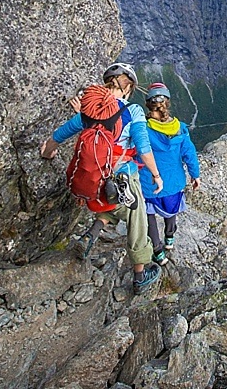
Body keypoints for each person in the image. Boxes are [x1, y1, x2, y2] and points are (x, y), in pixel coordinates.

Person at [40, 62, 165, 295]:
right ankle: (140, 275)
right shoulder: (133, 111)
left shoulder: (91, 110)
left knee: (113, 204)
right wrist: (157, 176)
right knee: (137, 220)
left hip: (95, 178)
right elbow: (143, 147)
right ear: (129, 88)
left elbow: (61, 133)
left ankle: (91, 235)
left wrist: (48, 151)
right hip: (122, 177)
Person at [139, 82, 201, 267]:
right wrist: (195, 175)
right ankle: (170, 238)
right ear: (167, 103)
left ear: (148, 104)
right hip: (173, 182)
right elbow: (189, 153)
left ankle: (158, 252)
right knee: (171, 210)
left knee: (149, 216)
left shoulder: (142, 128)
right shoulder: (180, 128)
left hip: (148, 182)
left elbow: (136, 152)